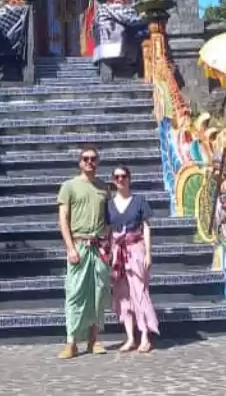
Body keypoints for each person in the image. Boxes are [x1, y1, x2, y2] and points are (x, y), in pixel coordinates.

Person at [57, 146, 111, 359]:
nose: (90, 162)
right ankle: (71, 341)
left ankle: (94, 339)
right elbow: (63, 219)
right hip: (79, 244)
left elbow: (108, 219)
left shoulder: (104, 188)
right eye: (85, 158)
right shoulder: (69, 186)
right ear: (80, 162)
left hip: (99, 246)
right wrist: (70, 247)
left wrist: (108, 243)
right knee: (75, 292)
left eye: (93, 158)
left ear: (98, 162)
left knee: (98, 292)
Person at [108, 165, 159, 353]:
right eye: (117, 177)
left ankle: (145, 334)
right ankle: (130, 337)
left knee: (140, 291)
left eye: (123, 176)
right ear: (113, 181)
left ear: (129, 178)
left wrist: (148, 253)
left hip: (136, 249)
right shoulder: (109, 205)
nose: (120, 180)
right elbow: (108, 230)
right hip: (118, 253)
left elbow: (146, 227)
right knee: (122, 295)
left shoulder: (139, 201)